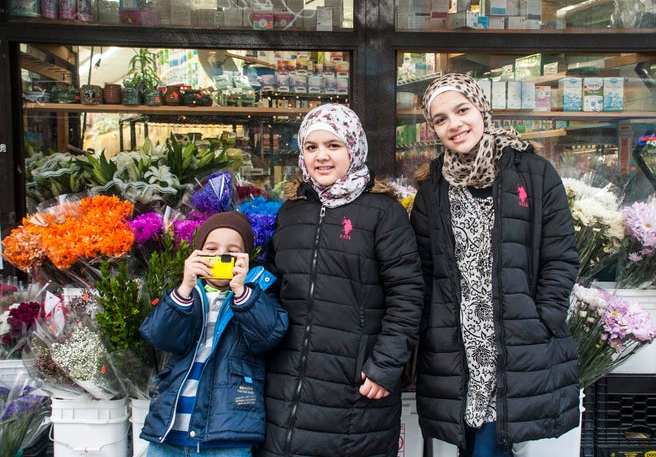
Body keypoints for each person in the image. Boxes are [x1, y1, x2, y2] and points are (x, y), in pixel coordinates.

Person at [410, 73, 580, 456]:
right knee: (473, 444)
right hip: (457, 349)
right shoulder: (432, 188)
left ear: (482, 110)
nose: (454, 125)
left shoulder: (533, 174)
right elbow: (423, 272)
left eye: (462, 110)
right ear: (432, 129)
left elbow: (561, 256)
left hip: (516, 341)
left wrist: (543, 318)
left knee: (491, 445)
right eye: (440, 119)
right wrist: (429, 332)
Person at [257, 103, 425, 457]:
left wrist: (385, 366)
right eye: (311, 147)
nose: (322, 156)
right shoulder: (292, 211)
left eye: (334, 145)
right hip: (288, 385)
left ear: (355, 148)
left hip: (355, 387)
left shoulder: (383, 213)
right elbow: (275, 285)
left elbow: (407, 295)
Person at [139, 211, 289, 456]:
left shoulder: (258, 292)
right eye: (210, 249)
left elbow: (269, 334)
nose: (220, 256)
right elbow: (158, 335)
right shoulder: (187, 293)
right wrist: (185, 287)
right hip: (168, 431)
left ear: (246, 258)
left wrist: (242, 292)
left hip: (227, 434)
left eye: (231, 252)